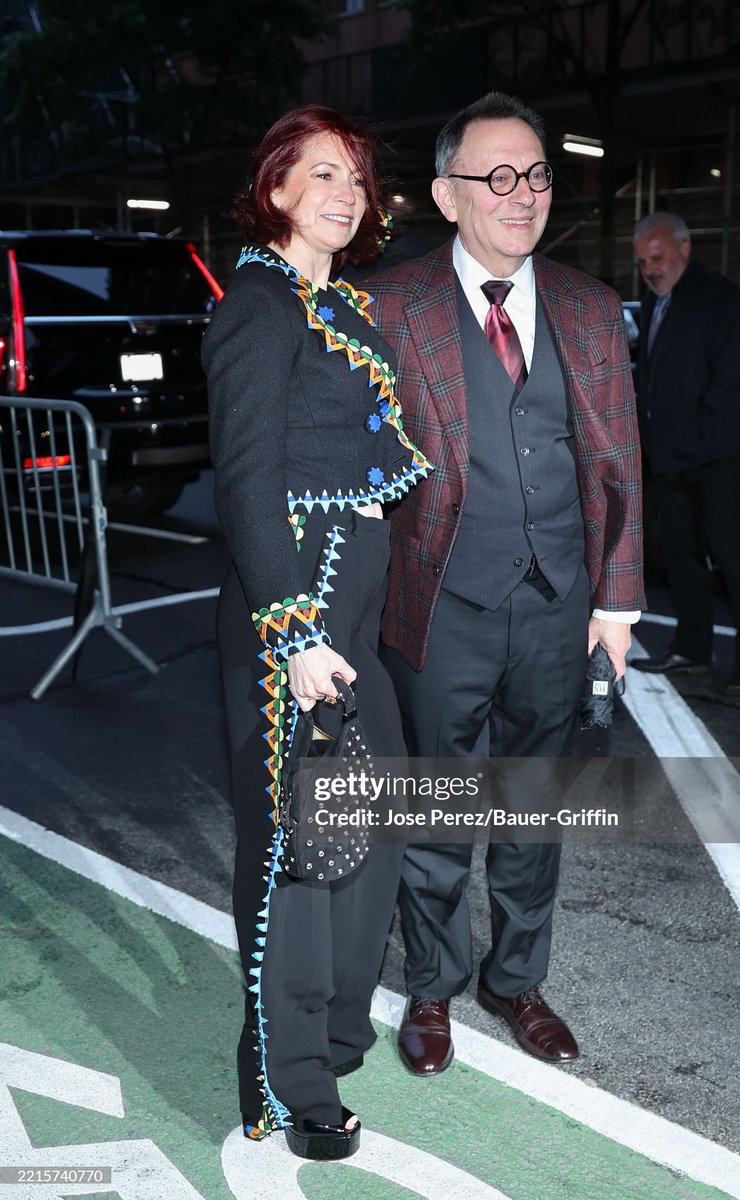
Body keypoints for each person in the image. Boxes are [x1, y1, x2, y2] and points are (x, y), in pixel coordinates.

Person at [366, 92, 644, 1076]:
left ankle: (516, 980)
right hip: (441, 604)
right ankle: (434, 986)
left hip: (560, 606)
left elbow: (618, 461)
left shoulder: (587, 305)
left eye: (533, 174)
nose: (520, 194)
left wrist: (616, 599)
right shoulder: (389, 307)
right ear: (448, 194)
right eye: (496, 176)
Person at [202, 106, 433, 1159]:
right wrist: (293, 633)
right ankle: (288, 1082)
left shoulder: (329, 299)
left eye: (359, 179)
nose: (349, 193)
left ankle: (336, 1024)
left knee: (371, 826)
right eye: (324, 174)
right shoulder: (257, 304)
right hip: (295, 605)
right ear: (278, 187)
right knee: (298, 853)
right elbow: (248, 479)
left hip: (349, 604)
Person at [631, 212, 740, 693]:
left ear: (684, 249)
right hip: (672, 461)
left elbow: (733, 379)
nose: (650, 269)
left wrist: (694, 440)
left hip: (714, 458)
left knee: (732, 557)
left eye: (658, 257)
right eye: (643, 261)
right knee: (681, 558)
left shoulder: (717, 298)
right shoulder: (653, 304)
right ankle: (691, 651)